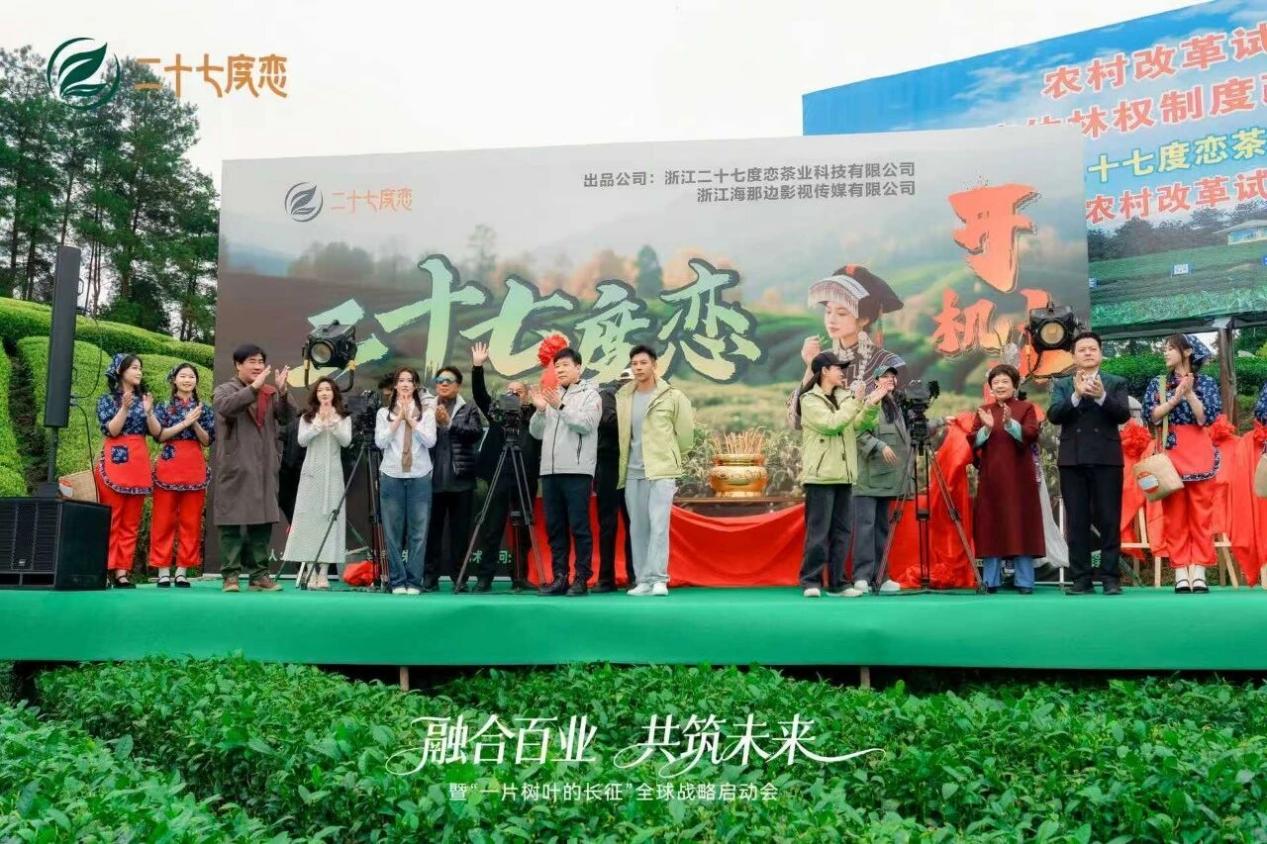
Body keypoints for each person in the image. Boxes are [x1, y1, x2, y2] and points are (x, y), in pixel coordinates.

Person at [850, 364, 952, 597]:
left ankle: (881, 576)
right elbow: (856, 431)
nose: (890, 380)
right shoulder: (867, 402)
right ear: (876, 381)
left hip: (889, 477)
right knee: (865, 529)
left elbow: (914, 429)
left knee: (882, 529)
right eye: (884, 377)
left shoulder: (898, 405)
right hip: (867, 477)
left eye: (892, 377)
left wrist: (941, 421)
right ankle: (861, 577)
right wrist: (879, 445)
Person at [1047, 332, 1131, 595]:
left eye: (1092, 349)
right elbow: (1054, 415)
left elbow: (1123, 414)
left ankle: (1110, 578)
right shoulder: (1063, 384)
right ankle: (1081, 579)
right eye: (1082, 349)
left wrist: (1102, 396)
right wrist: (1075, 395)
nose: (1087, 353)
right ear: (1074, 356)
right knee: (1077, 522)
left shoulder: (1115, 382)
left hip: (1107, 458)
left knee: (1109, 519)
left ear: (1101, 354)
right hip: (1073, 460)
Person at [798, 351, 885, 598]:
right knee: (818, 532)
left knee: (842, 532)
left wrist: (871, 404)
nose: (842, 372)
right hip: (820, 477)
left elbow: (861, 424)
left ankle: (838, 582)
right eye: (838, 368)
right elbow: (832, 423)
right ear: (825, 371)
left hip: (844, 475)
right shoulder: (809, 400)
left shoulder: (845, 397)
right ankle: (811, 581)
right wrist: (856, 401)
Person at [1142, 334, 1222, 594]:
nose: (1165, 353)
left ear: (1187, 352)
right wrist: (1174, 398)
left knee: (1201, 513)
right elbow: (1151, 415)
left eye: (1170, 348)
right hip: (1171, 450)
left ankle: (1199, 570)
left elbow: (1205, 418)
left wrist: (1189, 394)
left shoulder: (1206, 382)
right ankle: (1180, 570)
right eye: (1164, 349)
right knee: (1174, 515)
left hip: (1198, 449)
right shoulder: (1158, 383)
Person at [212, 344, 293, 592]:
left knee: (262, 522)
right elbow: (226, 407)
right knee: (231, 522)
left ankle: (259, 575)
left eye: (260, 362)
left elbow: (288, 418)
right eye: (251, 362)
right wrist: (254, 388)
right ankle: (231, 576)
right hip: (236, 466)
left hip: (264, 467)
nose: (257, 366)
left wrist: (282, 392)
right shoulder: (225, 390)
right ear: (238, 365)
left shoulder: (269, 392)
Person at [616, 345, 695, 597]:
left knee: (659, 525)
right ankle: (643, 580)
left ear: (654, 365)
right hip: (632, 471)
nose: (638, 367)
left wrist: (670, 457)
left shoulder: (672, 396)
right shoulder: (624, 396)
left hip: (661, 470)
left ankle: (659, 579)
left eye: (643, 363)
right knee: (638, 528)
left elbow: (686, 436)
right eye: (634, 364)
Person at [790, 266, 905, 430]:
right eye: (828, 312)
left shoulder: (889, 364)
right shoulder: (824, 360)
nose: (831, 320)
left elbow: (888, 423)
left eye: (841, 313)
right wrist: (811, 367)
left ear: (864, 319)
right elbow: (798, 422)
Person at [529, 347, 602, 596]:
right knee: (555, 527)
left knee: (579, 526)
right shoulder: (553, 395)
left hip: (577, 471)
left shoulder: (591, 395)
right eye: (557, 366)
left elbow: (586, 425)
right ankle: (560, 577)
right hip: (550, 472)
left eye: (565, 365)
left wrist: (560, 406)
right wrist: (541, 410)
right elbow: (536, 433)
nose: (559, 370)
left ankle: (581, 578)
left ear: (578, 368)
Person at [469, 342, 539, 592]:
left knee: (523, 529)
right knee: (492, 528)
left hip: (525, 477)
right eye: (509, 392)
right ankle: (484, 578)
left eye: (518, 392)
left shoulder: (535, 416)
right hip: (500, 475)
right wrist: (478, 367)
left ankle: (519, 577)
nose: (513, 395)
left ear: (526, 396)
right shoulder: (497, 414)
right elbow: (480, 395)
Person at [971, 364, 1045, 594]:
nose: (1000, 386)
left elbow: (1031, 433)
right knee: (991, 526)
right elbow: (973, 440)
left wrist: (1011, 424)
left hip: (1020, 479)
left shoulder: (1025, 408)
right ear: (990, 387)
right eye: (996, 382)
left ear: (1014, 385)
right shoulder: (984, 411)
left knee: (1020, 525)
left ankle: (1025, 581)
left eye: (1005, 381)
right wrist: (987, 429)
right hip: (991, 478)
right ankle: (990, 581)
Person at [95, 354, 161, 588]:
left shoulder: (145, 400)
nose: (139, 372)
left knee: (131, 521)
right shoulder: (106, 400)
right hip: (115, 459)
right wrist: (124, 407)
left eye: (140, 368)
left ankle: (122, 572)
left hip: (138, 460)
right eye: (134, 367)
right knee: (112, 519)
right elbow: (112, 430)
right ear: (120, 371)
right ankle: (104, 569)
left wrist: (149, 412)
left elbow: (156, 432)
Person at [281, 377, 352, 590]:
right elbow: (302, 440)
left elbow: (346, 441)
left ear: (334, 393)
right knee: (309, 522)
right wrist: (319, 423)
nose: (324, 393)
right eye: (320, 390)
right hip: (311, 473)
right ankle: (310, 571)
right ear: (316, 394)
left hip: (333, 475)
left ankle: (323, 573)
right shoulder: (307, 417)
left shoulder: (343, 417)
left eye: (328, 389)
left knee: (330, 521)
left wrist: (333, 423)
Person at [148, 362, 215, 588]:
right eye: (183, 376)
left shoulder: (204, 408)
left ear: (196, 381)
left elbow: (207, 440)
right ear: (174, 380)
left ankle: (182, 570)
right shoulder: (164, 407)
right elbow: (159, 435)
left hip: (194, 465)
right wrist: (185, 422)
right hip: (169, 463)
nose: (187, 380)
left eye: (191, 376)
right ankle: (162, 569)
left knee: (191, 520)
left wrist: (194, 424)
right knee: (163, 519)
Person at [375, 366, 437, 595]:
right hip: (392, 475)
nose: (405, 384)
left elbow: (430, 441)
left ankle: (414, 581)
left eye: (409, 380)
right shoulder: (384, 413)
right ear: (395, 385)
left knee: (418, 532)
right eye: (401, 380)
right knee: (392, 533)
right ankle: (397, 580)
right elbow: (380, 442)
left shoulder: (426, 413)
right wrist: (397, 420)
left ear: (415, 386)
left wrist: (410, 420)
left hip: (419, 476)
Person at [425, 366, 484, 591]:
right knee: (432, 533)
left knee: (460, 534)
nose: (443, 384)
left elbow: (475, 433)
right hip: (432, 480)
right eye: (440, 380)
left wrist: (449, 423)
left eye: (448, 380)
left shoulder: (468, 408)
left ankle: (460, 578)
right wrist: (431, 421)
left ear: (458, 385)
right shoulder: (427, 407)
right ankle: (429, 577)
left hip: (461, 480)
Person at [595, 368, 634, 592]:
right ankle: (605, 578)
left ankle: (635, 576)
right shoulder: (607, 394)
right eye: (625, 382)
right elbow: (609, 421)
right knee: (607, 524)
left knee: (635, 524)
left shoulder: (644, 398)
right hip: (609, 464)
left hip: (634, 466)